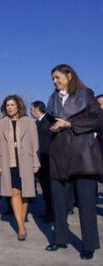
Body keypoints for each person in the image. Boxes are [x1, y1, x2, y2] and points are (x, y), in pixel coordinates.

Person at [45, 64, 103, 260]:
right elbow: (48, 123)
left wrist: (70, 124)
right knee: (58, 201)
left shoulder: (86, 94)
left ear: (69, 75)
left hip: (82, 154)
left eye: (57, 77)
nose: (54, 81)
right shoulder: (53, 99)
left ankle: (89, 244)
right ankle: (60, 238)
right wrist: (52, 128)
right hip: (59, 153)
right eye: (52, 78)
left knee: (86, 203)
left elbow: (98, 120)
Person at [0, 95, 40, 241]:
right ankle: (21, 226)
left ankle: (21, 220)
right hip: (8, 162)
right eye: (7, 105)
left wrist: (36, 162)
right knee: (14, 192)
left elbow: (35, 143)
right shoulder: (0, 124)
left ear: (18, 106)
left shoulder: (30, 122)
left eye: (12, 105)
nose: (9, 107)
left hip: (26, 160)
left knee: (25, 193)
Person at [30, 101, 53, 222]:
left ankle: (52, 213)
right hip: (40, 160)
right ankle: (48, 211)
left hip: (48, 159)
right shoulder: (36, 123)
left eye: (31, 109)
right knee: (45, 188)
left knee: (49, 188)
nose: (30, 111)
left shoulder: (48, 120)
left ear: (37, 109)